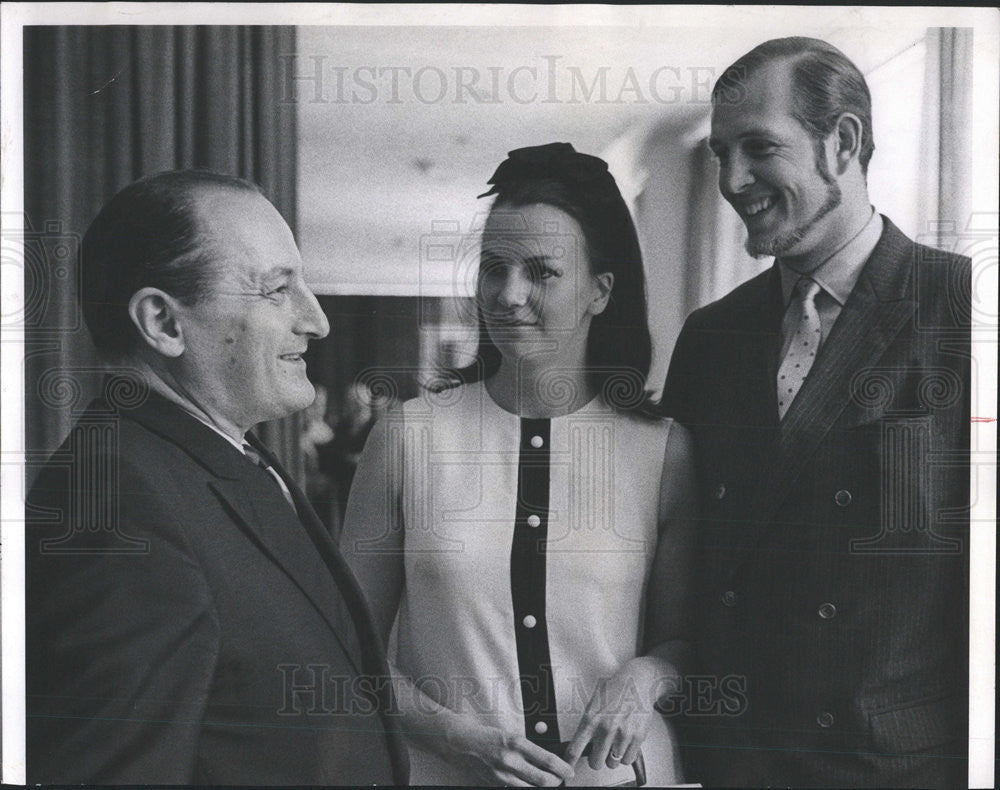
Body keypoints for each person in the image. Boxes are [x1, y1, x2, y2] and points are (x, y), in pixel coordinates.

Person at [25, 170, 408, 785]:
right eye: (278, 290)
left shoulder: (219, 454)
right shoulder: (115, 504)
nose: (317, 321)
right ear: (164, 323)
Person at [661, 37, 970, 787]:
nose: (733, 181)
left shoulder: (963, 310)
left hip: (892, 767)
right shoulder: (711, 337)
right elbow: (676, 554)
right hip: (732, 762)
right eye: (720, 155)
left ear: (844, 144)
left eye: (759, 148)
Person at [342, 142, 697, 786]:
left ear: (599, 291)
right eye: (493, 268)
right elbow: (345, 649)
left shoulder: (663, 452)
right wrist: (450, 734)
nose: (507, 295)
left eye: (541, 272)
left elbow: (686, 641)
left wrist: (646, 676)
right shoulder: (406, 436)